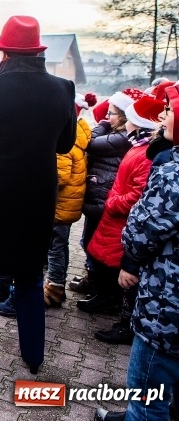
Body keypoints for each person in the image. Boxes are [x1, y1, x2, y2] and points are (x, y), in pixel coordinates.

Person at [0, 15, 76, 384]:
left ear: (4, 53)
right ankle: (34, 357)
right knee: (28, 277)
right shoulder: (63, 89)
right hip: (36, 199)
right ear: (38, 52)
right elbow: (65, 145)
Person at [94, 86, 179, 421]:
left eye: (170, 111)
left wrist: (130, 254)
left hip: (167, 303)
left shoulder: (173, 174)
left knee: (148, 388)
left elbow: (144, 226)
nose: (163, 116)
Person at [81, 95, 162, 335]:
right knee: (101, 255)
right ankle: (104, 297)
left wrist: (113, 201)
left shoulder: (144, 153)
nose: (108, 117)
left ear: (133, 120)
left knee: (114, 263)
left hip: (117, 213)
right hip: (112, 211)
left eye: (113, 114)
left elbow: (138, 191)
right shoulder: (137, 146)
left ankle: (115, 308)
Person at [68, 89, 141, 294]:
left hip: (104, 194)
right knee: (90, 240)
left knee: (96, 242)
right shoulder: (118, 134)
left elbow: (90, 142)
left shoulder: (121, 137)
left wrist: (101, 124)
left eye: (112, 114)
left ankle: (100, 287)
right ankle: (94, 281)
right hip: (101, 192)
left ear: (124, 116)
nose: (107, 117)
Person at [42, 93, 96, 308]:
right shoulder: (80, 135)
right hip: (68, 205)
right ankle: (58, 284)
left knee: (54, 248)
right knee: (60, 246)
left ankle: (54, 289)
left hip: (59, 205)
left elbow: (59, 177)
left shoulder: (65, 143)